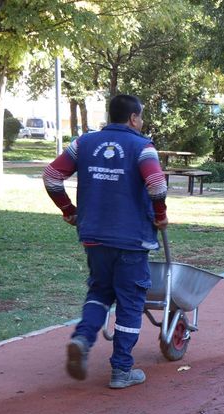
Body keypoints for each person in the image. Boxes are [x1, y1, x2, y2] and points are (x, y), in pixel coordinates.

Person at [44, 94, 168, 389]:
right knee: (130, 301)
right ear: (133, 118)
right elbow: (157, 184)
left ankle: (82, 339)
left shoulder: (83, 143)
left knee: (100, 290)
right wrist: (160, 215)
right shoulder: (142, 147)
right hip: (131, 239)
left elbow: (51, 176)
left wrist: (69, 210)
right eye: (141, 116)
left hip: (93, 236)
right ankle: (122, 370)